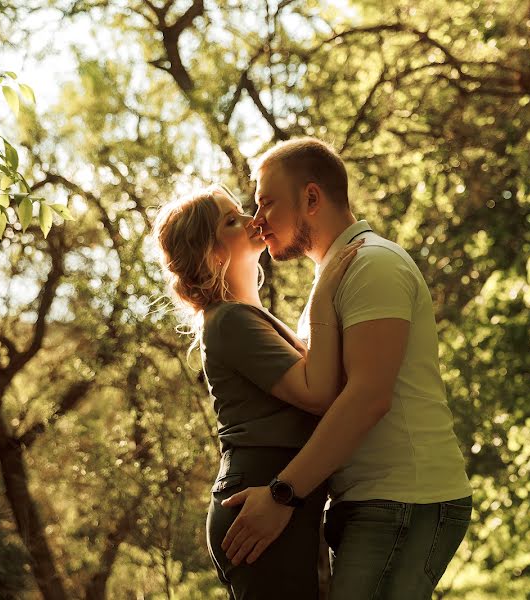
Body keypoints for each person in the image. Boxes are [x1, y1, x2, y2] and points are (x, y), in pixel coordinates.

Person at [221, 138, 473, 599]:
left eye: (267, 203)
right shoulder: (338, 275)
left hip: (404, 500)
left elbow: (367, 397)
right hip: (372, 503)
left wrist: (283, 494)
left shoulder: (372, 265)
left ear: (311, 199)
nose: (257, 220)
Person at [151, 183, 364, 599]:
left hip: (278, 498)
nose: (253, 220)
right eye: (231, 221)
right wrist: (323, 295)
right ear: (212, 254)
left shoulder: (246, 315)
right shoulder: (230, 320)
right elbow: (319, 394)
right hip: (256, 502)